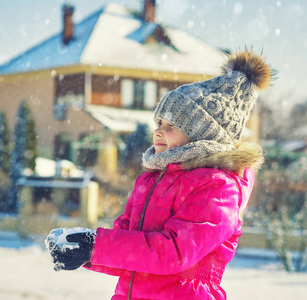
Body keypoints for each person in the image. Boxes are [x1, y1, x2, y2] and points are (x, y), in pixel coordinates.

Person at [45, 50, 273, 300]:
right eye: (158, 124)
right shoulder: (150, 180)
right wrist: (86, 251)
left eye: (171, 126)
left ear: (202, 134)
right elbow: (130, 250)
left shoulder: (218, 187)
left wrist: (97, 245)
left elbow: (174, 252)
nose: (158, 132)